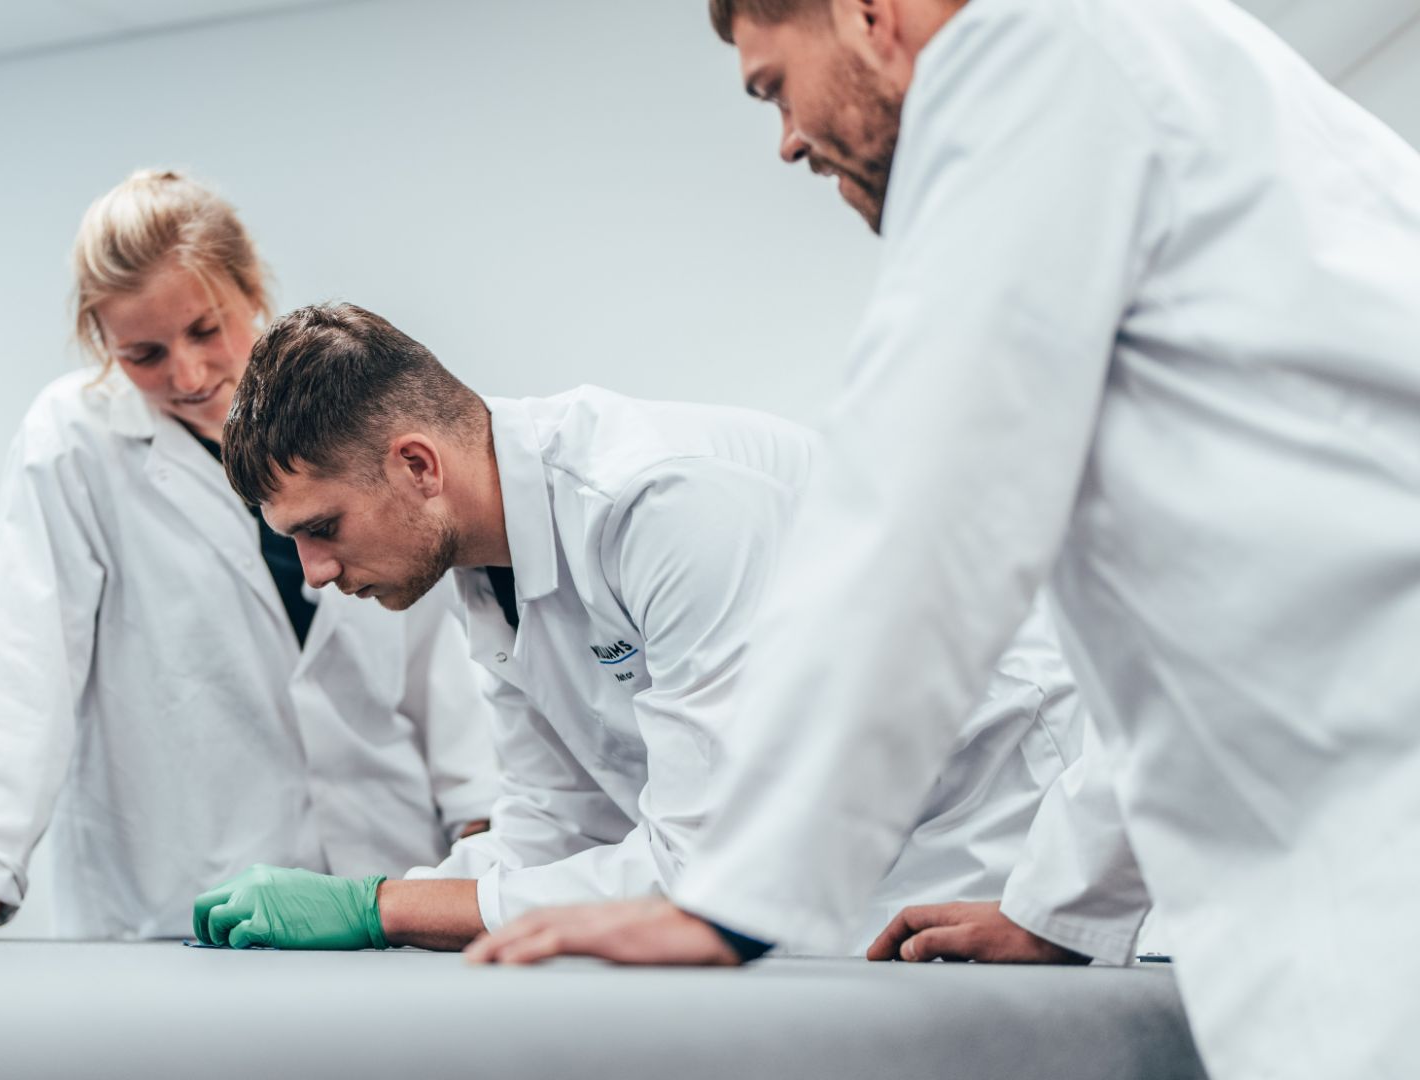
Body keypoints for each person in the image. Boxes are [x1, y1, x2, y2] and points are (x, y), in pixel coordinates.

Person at [466, 2, 1420, 1078]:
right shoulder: (1158, 77)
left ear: (869, 13)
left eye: (773, 85)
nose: (785, 138)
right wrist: (1064, 905)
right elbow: (1219, 626)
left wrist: (731, 901)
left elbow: (920, 505)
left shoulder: (1028, 53)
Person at [186, 302, 1082, 954]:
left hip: (979, 833)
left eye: (321, 527)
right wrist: (385, 904)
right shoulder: (482, 570)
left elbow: (700, 867)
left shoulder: (660, 503)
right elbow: (555, 829)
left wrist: (376, 907)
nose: (316, 573)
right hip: (843, 865)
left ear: (417, 465)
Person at [0, 171, 498, 942]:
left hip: (383, 879)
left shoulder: (338, 412)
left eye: (207, 330)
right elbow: (27, 658)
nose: (187, 373)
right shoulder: (77, 442)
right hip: (177, 894)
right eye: (142, 353)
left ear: (252, 291)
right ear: (100, 343)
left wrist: (483, 833)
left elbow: (436, 651)